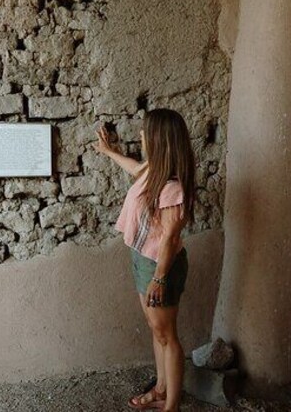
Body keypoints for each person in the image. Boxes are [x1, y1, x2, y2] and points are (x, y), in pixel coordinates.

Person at [94, 109, 195, 412]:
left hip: (159, 267)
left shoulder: (172, 188)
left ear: (159, 139)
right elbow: (136, 168)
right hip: (144, 260)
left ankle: (171, 406)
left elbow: (170, 240)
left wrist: (159, 278)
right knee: (157, 330)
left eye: (145, 131)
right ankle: (161, 389)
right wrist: (110, 152)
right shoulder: (155, 170)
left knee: (167, 335)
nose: (140, 135)